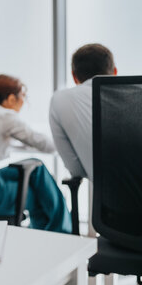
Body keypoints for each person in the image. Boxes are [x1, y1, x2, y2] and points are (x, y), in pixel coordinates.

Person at [0, 74, 72, 233]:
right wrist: (68, 140)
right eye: (23, 97)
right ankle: (63, 233)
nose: (24, 102)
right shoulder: (5, 116)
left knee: (36, 173)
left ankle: (55, 232)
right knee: (37, 186)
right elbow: (45, 145)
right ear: (12, 99)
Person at [49, 43, 117, 181]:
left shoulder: (60, 100)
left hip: (111, 198)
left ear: (74, 77)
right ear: (114, 72)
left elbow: (76, 170)